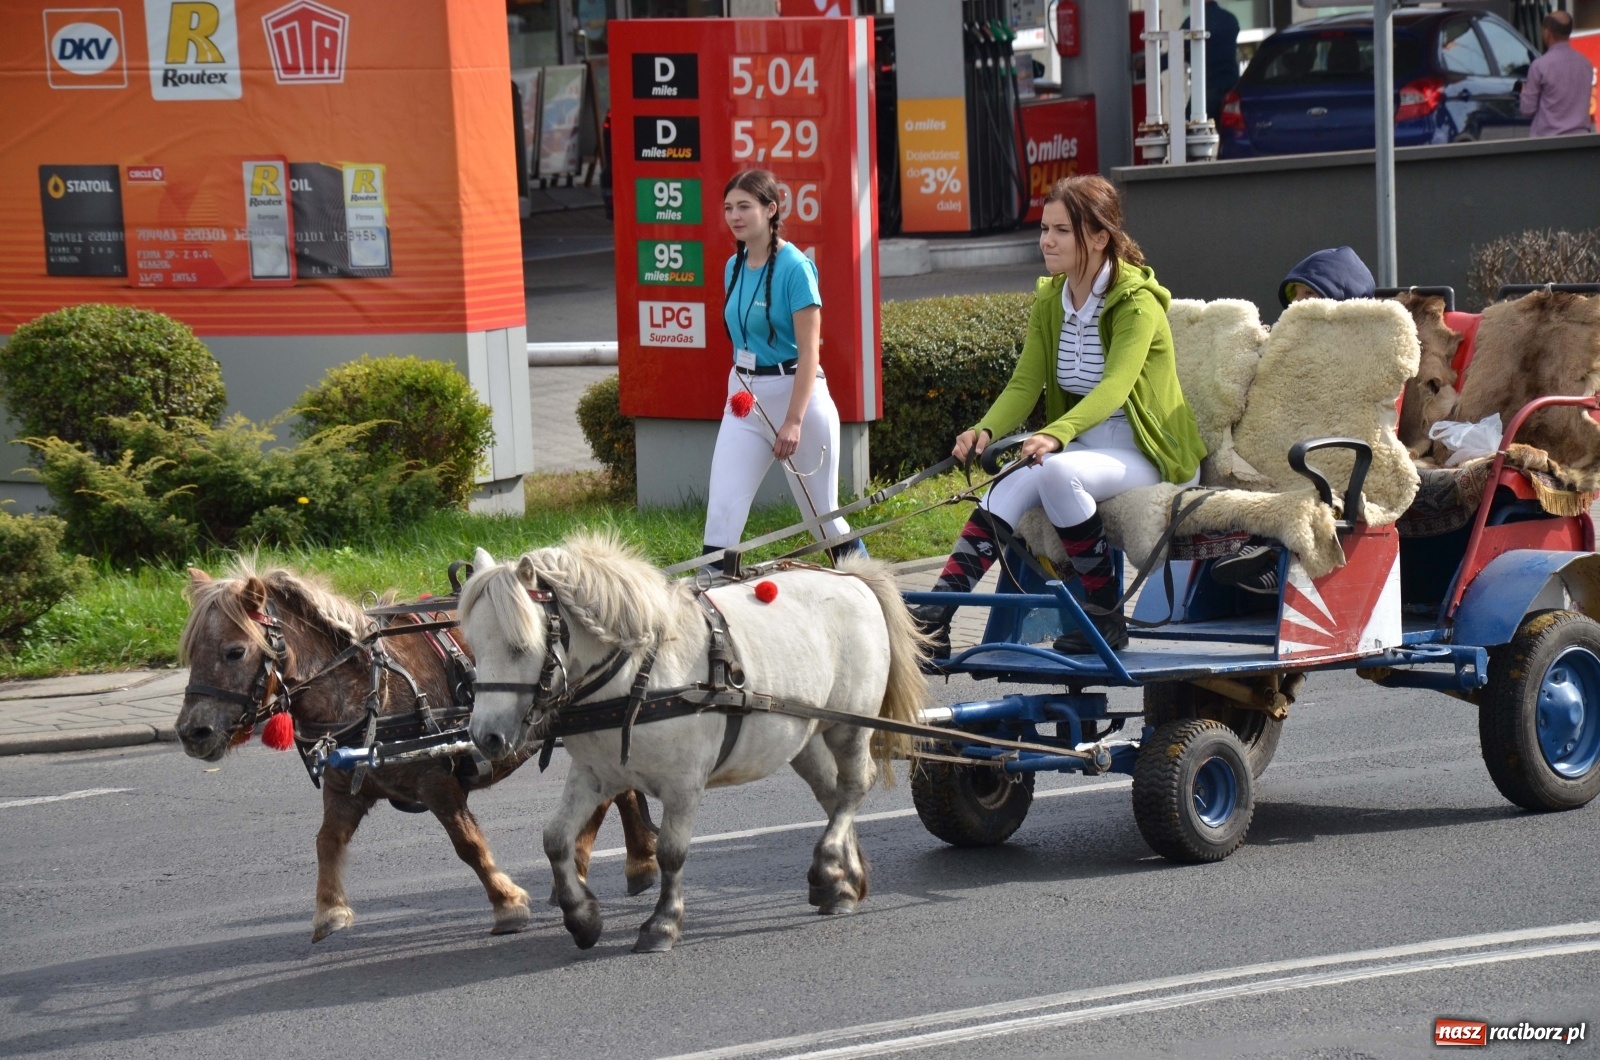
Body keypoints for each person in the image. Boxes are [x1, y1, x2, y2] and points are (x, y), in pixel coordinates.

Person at [910, 175, 1206, 657]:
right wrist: (985, 429)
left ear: (1099, 237)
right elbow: (1025, 383)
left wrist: (1055, 434)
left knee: (1057, 473)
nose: (1046, 240)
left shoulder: (1136, 302)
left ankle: (1106, 617)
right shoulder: (1052, 297)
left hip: (1146, 449)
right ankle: (934, 619)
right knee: (1007, 482)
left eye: (1061, 230)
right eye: (1044, 228)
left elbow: (1115, 387)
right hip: (1087, 444)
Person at [702, 169, 860, 571]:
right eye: (728, 208)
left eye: (744, 207)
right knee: (721, 514)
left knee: (822, 517)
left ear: (771, 209)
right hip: (744, 400)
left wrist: (793, 420)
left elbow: (810, 353)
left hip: (796, 397)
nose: (735, 216)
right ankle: (715, 616)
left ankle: (876, 596)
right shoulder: (732, 267)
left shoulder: (796, 268)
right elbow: (741, 340)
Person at [1211, 245, 1379, 596]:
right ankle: (1253, 549)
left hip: (1329, 450)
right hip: (1280, 446)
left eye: (1311, 294)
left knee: (1302, 476)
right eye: (1297, 295)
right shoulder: (1283, 345)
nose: (1300, 304)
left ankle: (1272, 558)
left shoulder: (1363, 353)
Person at [1520, 11, 1597, 139]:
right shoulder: (1586, 64)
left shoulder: (1539, 66)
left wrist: (1524, 92)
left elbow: (1527, 110)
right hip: (1580, 141)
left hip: (1548, 143)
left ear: (1547, 33)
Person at [1276, 246, 1376, 308]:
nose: (1295, 301)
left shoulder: (1374, 339)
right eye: (1294, 293)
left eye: (1309, 293)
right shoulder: (1289, 336)